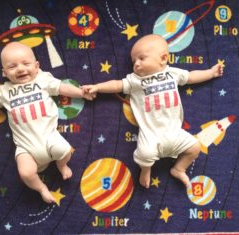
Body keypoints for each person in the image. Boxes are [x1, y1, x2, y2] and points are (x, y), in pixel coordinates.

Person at [83, 34, 224, 188]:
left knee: (195, 146)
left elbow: (191, 77)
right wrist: (97, 87)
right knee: (145, 155)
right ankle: (146, 169)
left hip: (174, 132)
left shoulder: (172, 73)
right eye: (133, 61)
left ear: (163, 59)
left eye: (141, 58)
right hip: (150, 134)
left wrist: (210, 73)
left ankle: (179, 168)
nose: (136, 64)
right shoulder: (135, 80)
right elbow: (116, 85)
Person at [0, 42, 95, 203]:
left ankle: (61, 165)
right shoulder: (4, 91)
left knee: (64, 150)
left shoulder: (43, 79)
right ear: (4, 73)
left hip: (49, 137)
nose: (20, 69)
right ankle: (41, 188)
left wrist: (80, 93)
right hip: (25, 147)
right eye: (12, 67)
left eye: (26, 64)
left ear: (37, 66)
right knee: (26, 173)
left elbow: (62, 88)